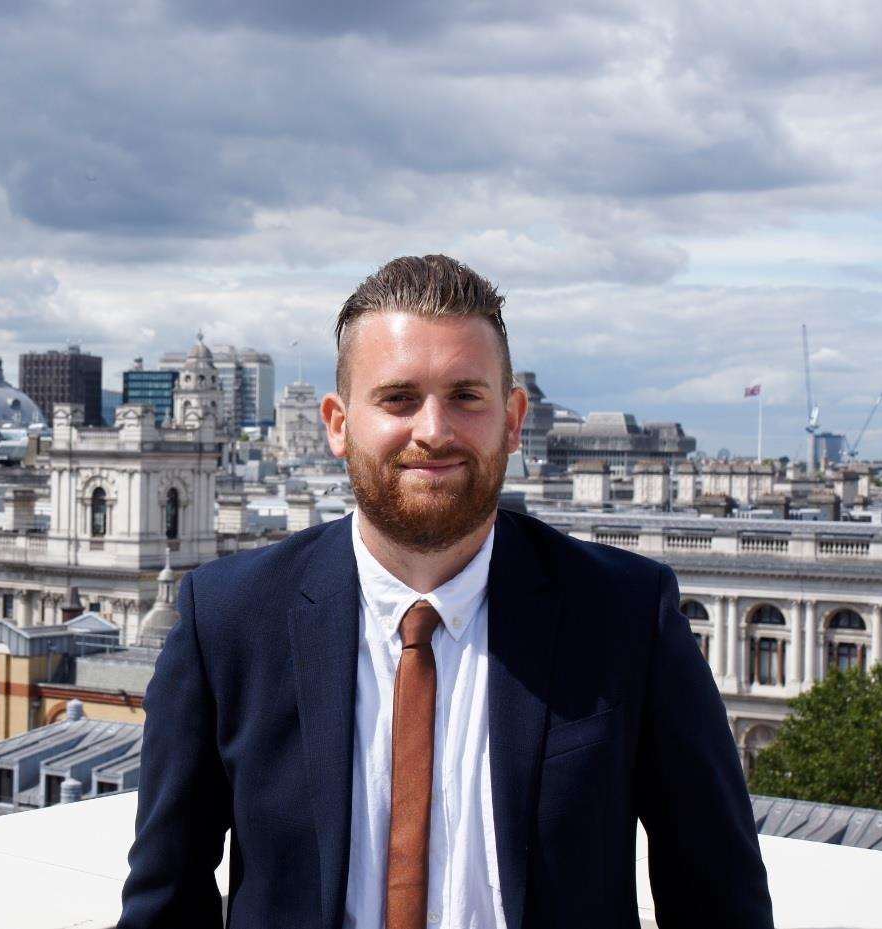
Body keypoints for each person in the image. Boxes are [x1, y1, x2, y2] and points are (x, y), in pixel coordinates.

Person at [118, 255, 774, 928]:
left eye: (465, 396)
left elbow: (716, 897)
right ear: (337, 424)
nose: (433, 430)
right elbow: (167, 901)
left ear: (513, 420)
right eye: (398, 398)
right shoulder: (226, 619)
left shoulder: (626, 615)